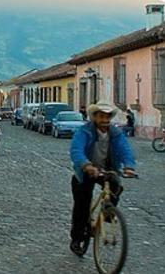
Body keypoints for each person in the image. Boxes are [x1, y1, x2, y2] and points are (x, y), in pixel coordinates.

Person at [69, 103, 137, 255]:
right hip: (85, 171)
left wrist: (129, 166)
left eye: (107, 117)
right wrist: (86, 165)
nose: (105, 120)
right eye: (101, 116)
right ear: (94, 117)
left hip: (107, 169)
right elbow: (76, 150)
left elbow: (124, 149)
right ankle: (77, 239)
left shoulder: (115, 133)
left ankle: (107, 212)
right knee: (82, 207)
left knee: (116, 185)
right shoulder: (84, 131)